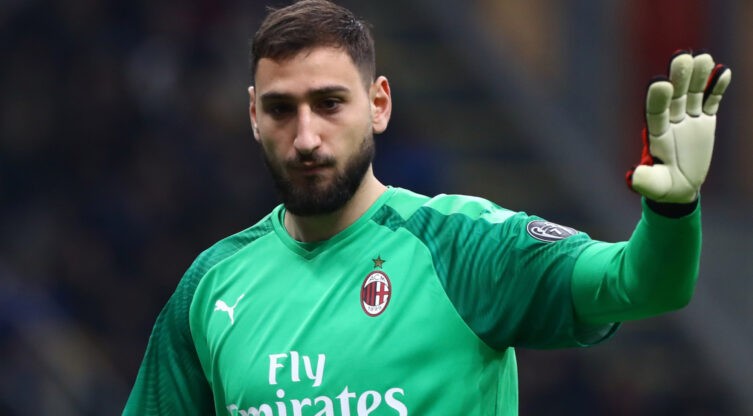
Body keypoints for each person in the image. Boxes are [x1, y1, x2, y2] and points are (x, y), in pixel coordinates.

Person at [123, 0, 732, 414]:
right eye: (282, 109)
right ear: (254, 116)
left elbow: (642, 285)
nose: (306, 137)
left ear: (378, 105)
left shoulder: (464, 246)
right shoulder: (212, 285)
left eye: (330, 104)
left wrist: (673, 211)